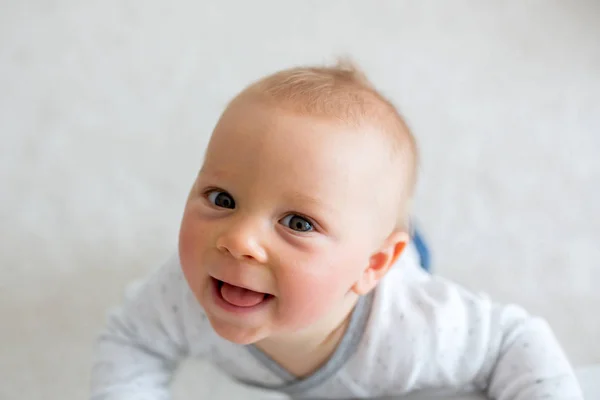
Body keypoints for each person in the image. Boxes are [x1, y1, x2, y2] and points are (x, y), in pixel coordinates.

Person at [91, 61, 582, 399]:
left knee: (407, 242)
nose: (238, 239)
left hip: (395, 274)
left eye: (298, 222)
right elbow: (131, 339)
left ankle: (395, 236)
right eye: (222, 199)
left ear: (371, 266)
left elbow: (513, 341)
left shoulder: (412, 329)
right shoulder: (179, 298)